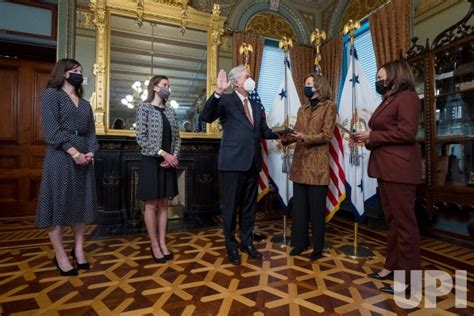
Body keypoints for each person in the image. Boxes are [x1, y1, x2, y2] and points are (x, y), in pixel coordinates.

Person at [352, 59, 422, 294]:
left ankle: (409, 281)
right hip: (386, 168)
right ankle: (391, 267)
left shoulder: (408, 97)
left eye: (381, 76)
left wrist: (372, 136)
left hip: (400, 170)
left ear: (395, 75)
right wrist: (367, 137)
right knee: (393, 223)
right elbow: (383, 132)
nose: (378, 80)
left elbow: (407, 133)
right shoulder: (389, 99)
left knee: (405, 226)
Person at [200, 65, 278, 265]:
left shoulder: (256, 103)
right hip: (233, 163)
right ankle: (231, 246)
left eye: (251, 76)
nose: (251, 80)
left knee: (249, 208)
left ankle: (247, 243)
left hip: (253, 163)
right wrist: (218, 91)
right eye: (247, 77)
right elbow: (206, 117)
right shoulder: (226, 100)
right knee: (231, 208)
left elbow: (264, 131)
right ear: (235, 82)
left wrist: (285, 134)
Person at [36, 58, 97, 276]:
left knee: (79, 205)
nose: (80, 73)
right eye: (75, 70)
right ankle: (60, 255)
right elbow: (52, 131)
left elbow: (90, 132)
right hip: (61, 157)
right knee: (59, 205)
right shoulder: (51, 96)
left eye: (81, 70)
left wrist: (90, 151)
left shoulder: (85, 103)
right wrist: (75, 153)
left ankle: (78, 249)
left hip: (84, 159)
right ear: (64, 73)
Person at [282, 74, 337, 260]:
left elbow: (327, 135)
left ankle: (317, 249)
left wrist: (303, 137)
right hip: (299, 164)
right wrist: (287, 137)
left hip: (317, 166)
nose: (305, 86)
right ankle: (300, 243)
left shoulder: (330, 106)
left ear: (319, 86)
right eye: (305, 83)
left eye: (309, 84)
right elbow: (298, 131)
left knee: (316, 210)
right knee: (299, 210)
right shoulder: (302, 108)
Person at [136, 75, 180, 264]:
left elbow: (177, 138)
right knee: (151, 204)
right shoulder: (144, 108)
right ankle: (154, 244)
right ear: (154, 87)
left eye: (169, 86)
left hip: (168, 162)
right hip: (151, 161)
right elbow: (141, 138)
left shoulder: (170, 111)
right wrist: (164, 154)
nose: (167, 89)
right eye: (164, 85)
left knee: (164, 204)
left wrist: (174, 156)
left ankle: (163, 242)